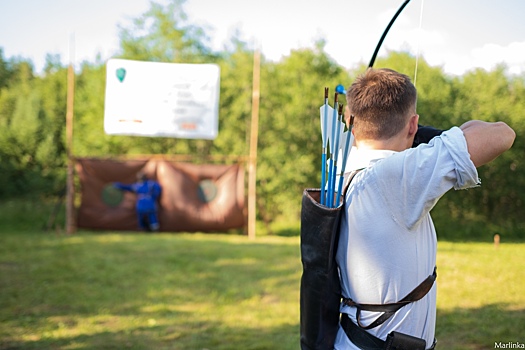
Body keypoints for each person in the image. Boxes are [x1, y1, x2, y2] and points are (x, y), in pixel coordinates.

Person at [335, 68, 515, 349]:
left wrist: (411, 135)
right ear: (412, 124)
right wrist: (426, 136)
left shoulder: (343, 167)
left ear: (352, 123)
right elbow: (501, 134)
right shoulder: (394, 177)